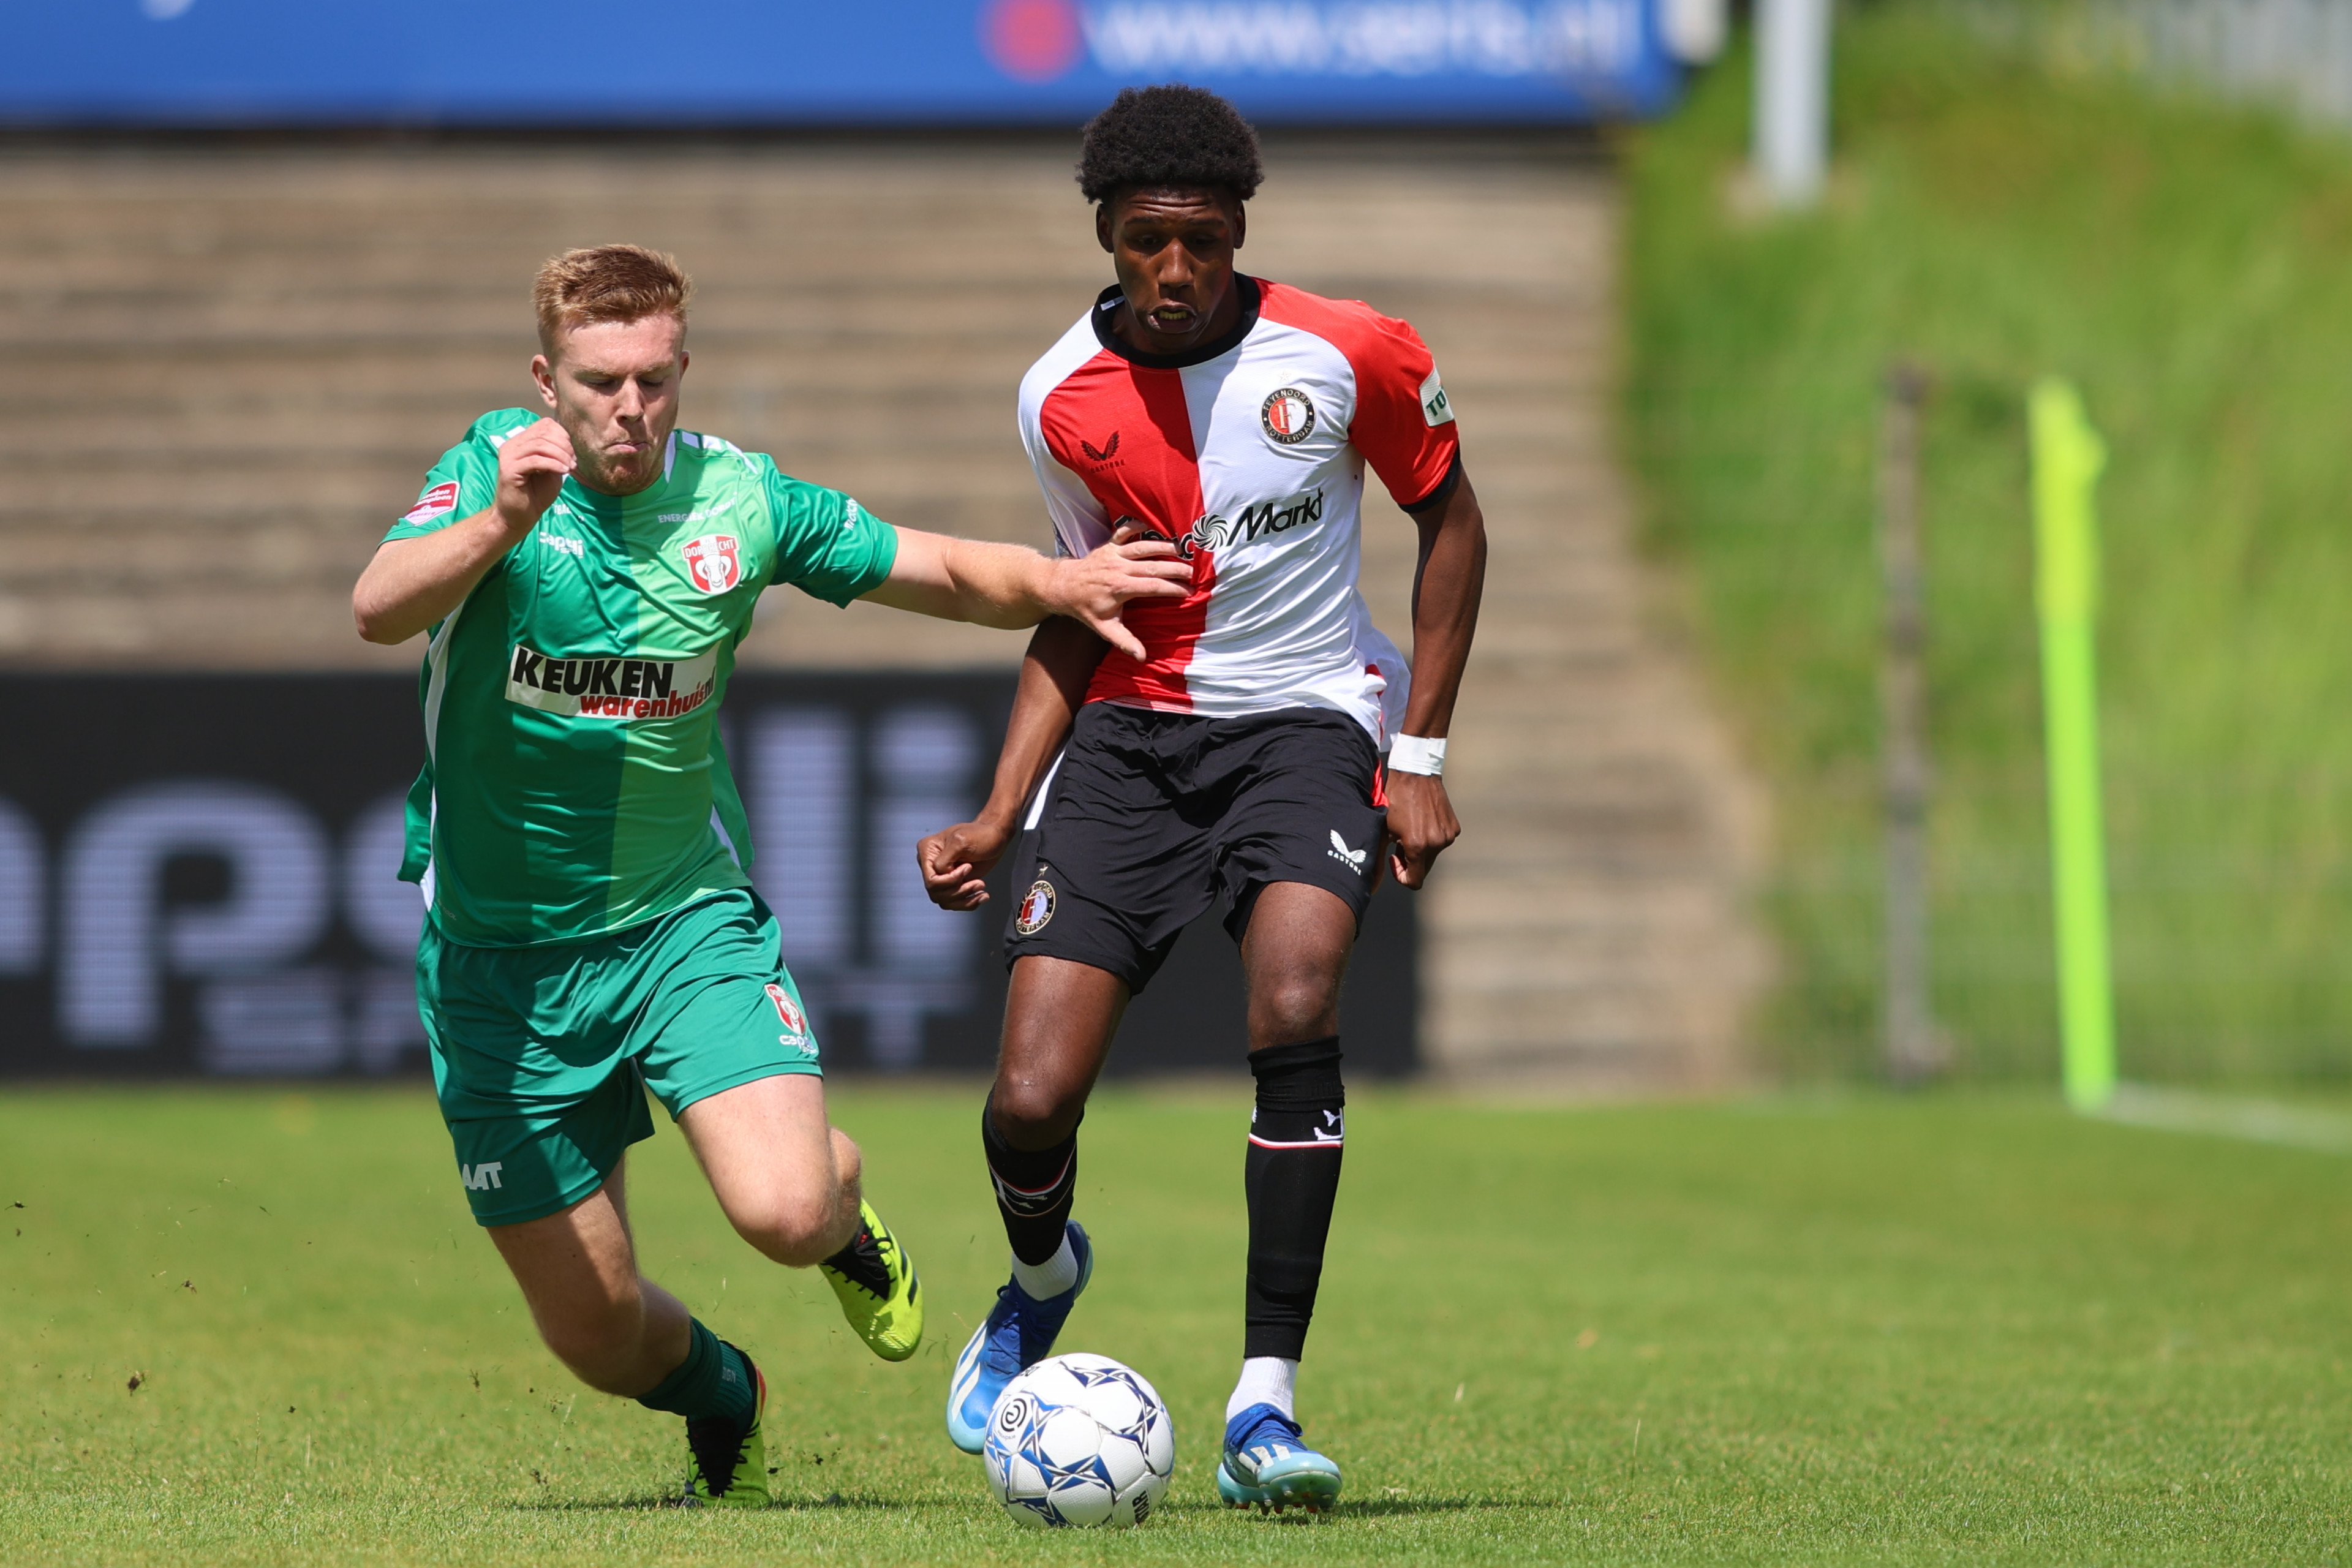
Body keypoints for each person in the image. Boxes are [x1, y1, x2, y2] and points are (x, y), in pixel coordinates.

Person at [350, 244, 1187, 1508]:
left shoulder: (739, 501)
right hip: (497, 965)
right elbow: (377, 606)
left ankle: (847, 1223)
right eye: (598, 381)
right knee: (598, 1328)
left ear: (682, 367)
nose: (629, 406)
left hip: (681, 922)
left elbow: (939, 567)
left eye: (653, 378)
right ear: (547, 380)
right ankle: (723, 1388)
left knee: (788, 1211)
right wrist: (497, 523)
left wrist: (1059, 580)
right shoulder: (491, 472)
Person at [916, 87, 1487, 1513]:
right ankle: (1044, 1275)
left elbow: (1455, 521)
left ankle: (1262, 1403)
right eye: (1149, 240)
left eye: (1206, 241)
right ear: (1107, 234)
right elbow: (1075, 608)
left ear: (1241, 232)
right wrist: (1000, 809)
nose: (1178, 270)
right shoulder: (1061, 398)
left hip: (1307, 719)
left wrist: (1415, 753)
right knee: (1028, 1101)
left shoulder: (1351, 350)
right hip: (1131, 747)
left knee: (1295, 1000)